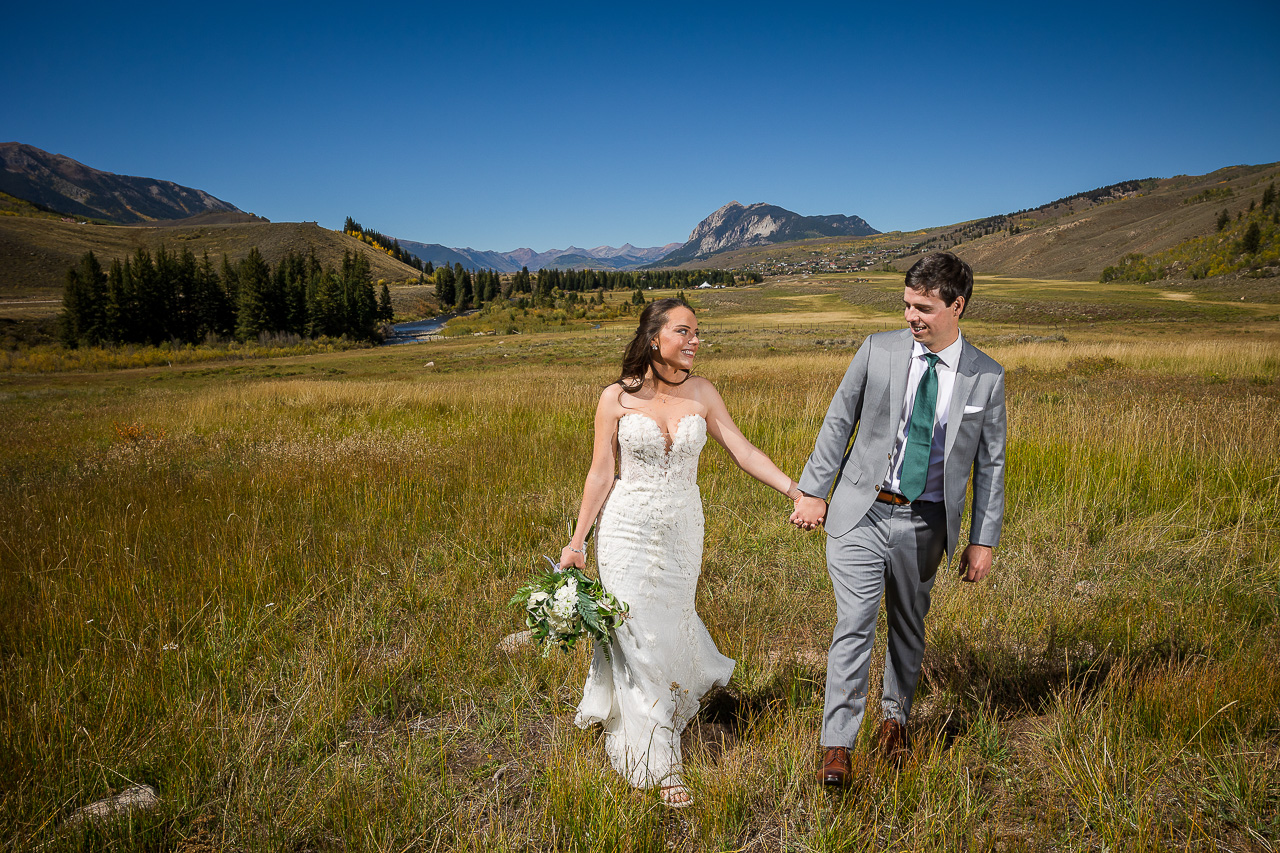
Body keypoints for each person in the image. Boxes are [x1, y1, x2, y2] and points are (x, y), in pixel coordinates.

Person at [560, 297, 802, 808]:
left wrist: (795, 491)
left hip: (682, 534)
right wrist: (577, 541)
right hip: (626, 531)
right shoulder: (615, 399)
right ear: (654, 338)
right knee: (634, 631)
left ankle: (658, 704)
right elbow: (601, 472)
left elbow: (743, 451)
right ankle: (657, 758)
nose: (695, 341)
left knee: (668, 624)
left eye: (698, 333)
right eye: (684, 331)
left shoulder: (703, 393)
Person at [789, 252, 1006, 786]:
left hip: (926, 521)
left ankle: (895, 721)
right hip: (861, 511)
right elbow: (839, 418)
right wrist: (814, 490)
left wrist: (983, 539)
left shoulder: (986, 376)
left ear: (957, 306)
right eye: (907, 304)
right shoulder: (877, 349)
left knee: (909, 626)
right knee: (855, 622)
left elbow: (991, 463)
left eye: (925, 308)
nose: (911, 316)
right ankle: (837, 745)